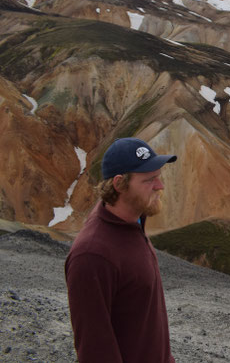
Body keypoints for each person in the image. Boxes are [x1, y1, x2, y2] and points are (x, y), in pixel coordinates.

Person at [65, 137, 177, 363]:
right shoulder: (91, 256)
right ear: (119, 184)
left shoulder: (133, 220)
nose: (160, 186)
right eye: (150, 180)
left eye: (159, 176)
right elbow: (95, 352)